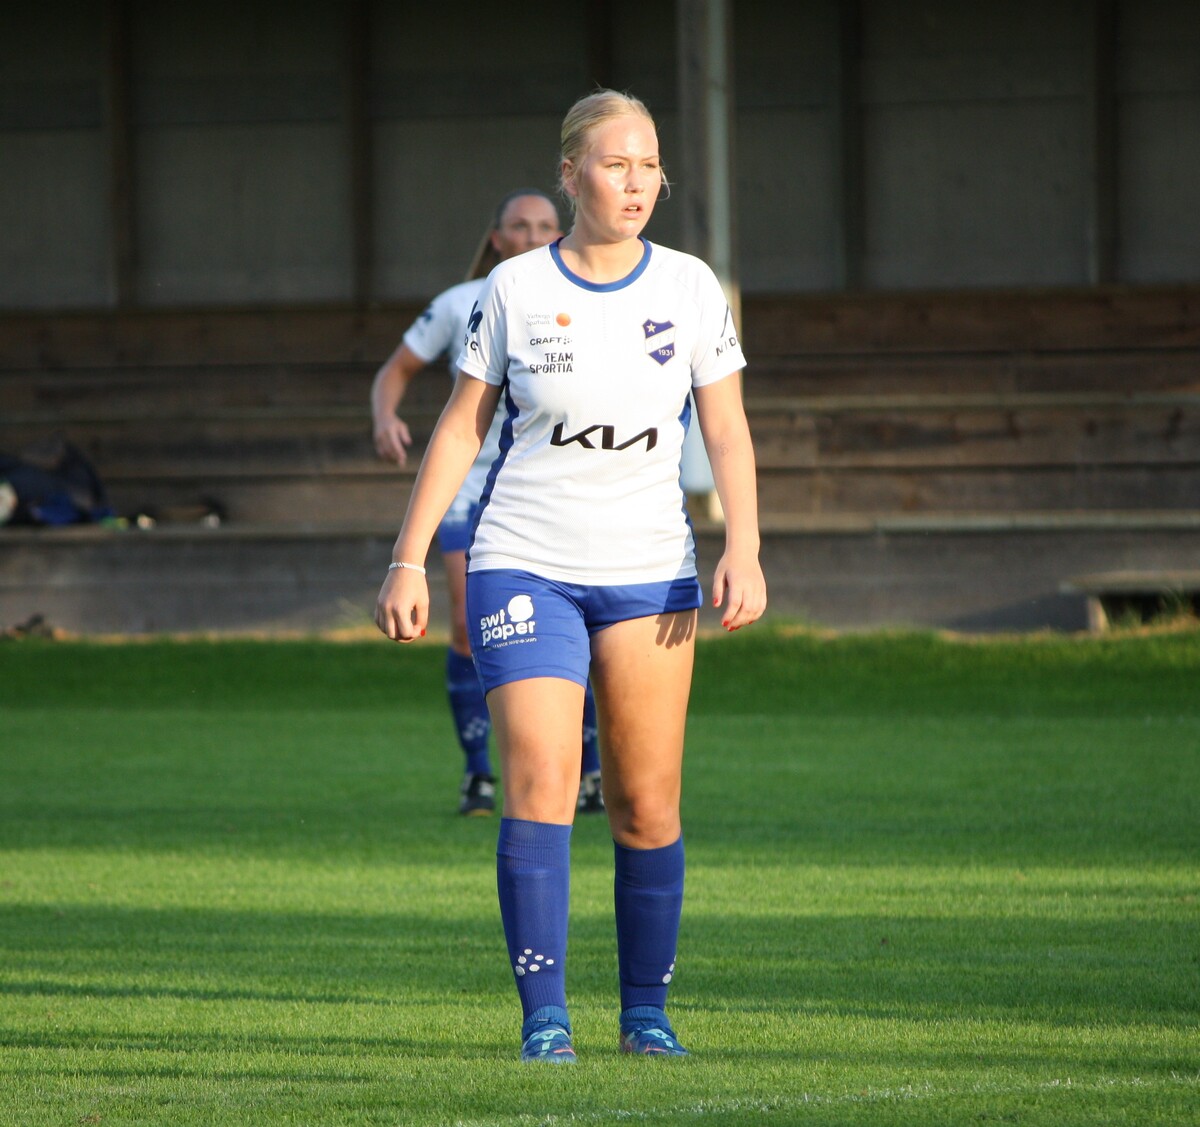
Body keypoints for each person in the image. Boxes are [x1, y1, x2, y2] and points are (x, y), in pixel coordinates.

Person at [374, 90, 766, 1062]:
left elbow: (725, 428)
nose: (636, 183)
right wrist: (408, 557)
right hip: (523, 560)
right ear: (570, 174)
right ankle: (545, 1021)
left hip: (650, 571)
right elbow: (459, 428)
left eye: (649, 165)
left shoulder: (690, 287)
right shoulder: (511, 290)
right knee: (542, 782)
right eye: (615, 164)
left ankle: (647, 1016)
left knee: (645, 802)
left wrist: (746, 545)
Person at [371, 189, 605, 817]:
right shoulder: (462, 303)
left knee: (577, 632)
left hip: (547, 489)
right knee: (467, 629)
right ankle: (478, 772)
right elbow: (394, 370)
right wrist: (385, 417)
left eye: (545, 225)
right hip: (471, 488)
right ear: (496, 238)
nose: (532, 236)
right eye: (519, 227)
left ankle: (589, 770)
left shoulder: (587, 297)